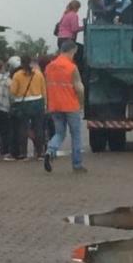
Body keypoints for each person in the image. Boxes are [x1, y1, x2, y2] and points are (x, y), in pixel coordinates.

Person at [43, 40, 87, 173]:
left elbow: (47, 86)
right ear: (72, 50)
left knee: (59, 133)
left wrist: (47, 103)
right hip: (71, 105)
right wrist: (81, 103)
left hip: (55, 105)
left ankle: (50, 151)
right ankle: (77, 164)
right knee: (76, 135)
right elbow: (79, 88)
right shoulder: (71, 67)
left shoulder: (49, 67)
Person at [9, 55, 47, 160]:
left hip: (23, 104)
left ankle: (23, 153)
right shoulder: (38, 74)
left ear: (21, 63)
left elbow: (13, 91)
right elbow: (44, 90)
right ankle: (39, 152)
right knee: (39, 128)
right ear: (30, 62)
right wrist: (45, 103)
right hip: (38, 102)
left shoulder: (17, 75)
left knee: (23, 128)